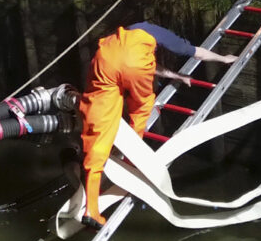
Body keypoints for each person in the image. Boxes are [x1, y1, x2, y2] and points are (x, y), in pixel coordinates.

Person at [78, 22, 237, 227]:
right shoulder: (163, 35)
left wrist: (176, 75)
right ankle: (130, 162)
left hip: (104, 60)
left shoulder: (129, 32)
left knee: (97, 127)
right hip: (133, 64)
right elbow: (195, 53)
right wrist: (223, 59)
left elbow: (141, 63)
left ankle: (91, 208)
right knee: (141, 109)